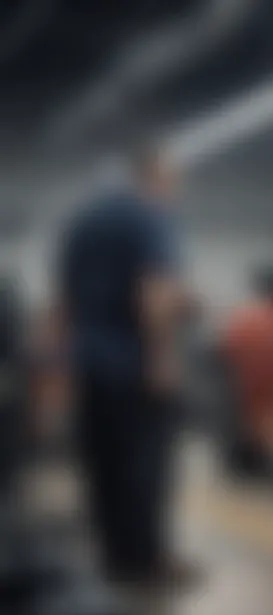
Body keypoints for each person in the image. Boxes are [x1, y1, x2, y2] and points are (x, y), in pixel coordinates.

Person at [56, 143, 196, 587]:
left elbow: (63, 303)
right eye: (174, 183)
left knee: (103, 464)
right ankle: (148, 560)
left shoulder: (82, 222)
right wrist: (163, 359)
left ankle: (113, 556)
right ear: (154, 177)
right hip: (133, 363)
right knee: (146, 467)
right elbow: (152, 293)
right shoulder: (150, 216)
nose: (176, 193)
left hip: (90, 362)